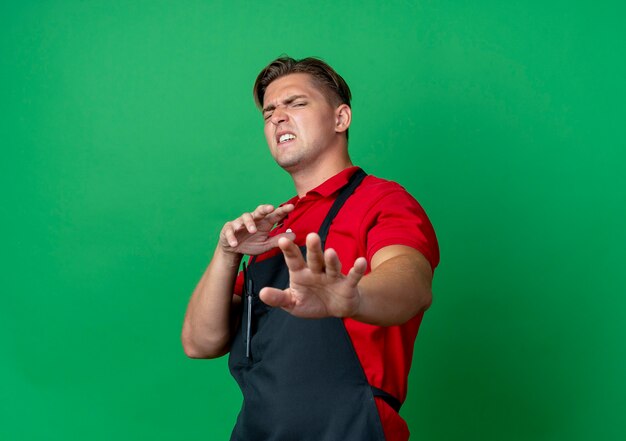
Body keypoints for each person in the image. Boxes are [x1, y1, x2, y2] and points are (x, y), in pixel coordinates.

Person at [182, 56, 439, 441]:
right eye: (269, 111)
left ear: (341, 119)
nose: (277, 117)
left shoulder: (382, 200)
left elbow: (411, 283)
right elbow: (199, 342)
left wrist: (352, 298)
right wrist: (227, 254)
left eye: (296, 103)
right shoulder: (271, 228)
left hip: (350, 429)